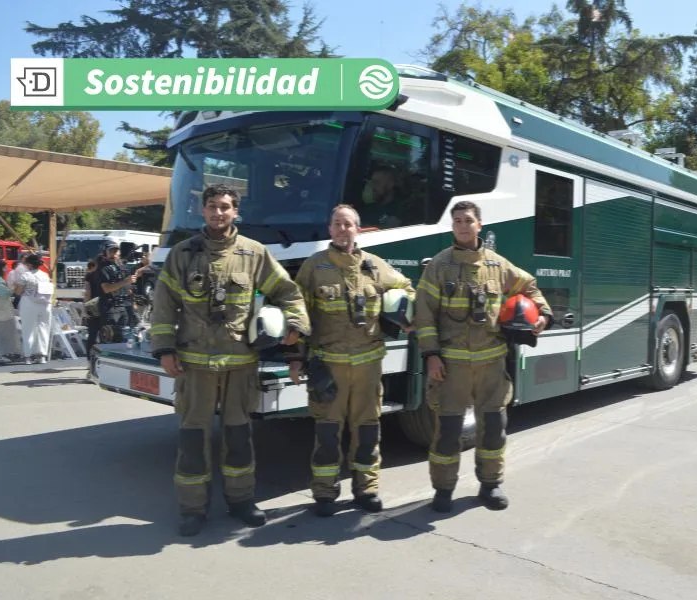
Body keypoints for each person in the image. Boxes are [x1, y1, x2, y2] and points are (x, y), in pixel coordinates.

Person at [149, 184, 311, 537]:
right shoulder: (182, 254)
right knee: (193, 439)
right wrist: (164, 349)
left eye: (225, 207)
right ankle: (193, 508)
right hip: (194, 364)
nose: (218, 212)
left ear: (236, 211)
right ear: (202, 211)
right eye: (212, 206)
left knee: (239, 437)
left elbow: (287, 291)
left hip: (240, 365)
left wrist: (296, 324)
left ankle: (241, 501)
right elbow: (163, 306)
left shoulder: (254, 254)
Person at [413, 200, 553, 513]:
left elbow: (529, 286)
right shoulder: (439, 265)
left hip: (491, 365)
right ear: (453, 227)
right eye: (457, 221)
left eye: (468, 220)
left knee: (494, 428)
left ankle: (490, 485)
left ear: (480, 225)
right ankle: (443, 490)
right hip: (451, 368)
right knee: (448, 433)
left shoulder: (498, 265)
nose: (463, 225)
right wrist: (431, 355)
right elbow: (424, 315)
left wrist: (543, 315)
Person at [292, 204, 416, 517]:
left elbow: (406, 288)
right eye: (337, 223)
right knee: (327, 431)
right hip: (328, 366)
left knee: (367, 429)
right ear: (330, 230)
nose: (343, 229)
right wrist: (295, 358)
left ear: (358, 229)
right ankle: (324, 492)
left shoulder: (375, 266)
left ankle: (367, 488)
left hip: (368, 366)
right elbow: (298, 315)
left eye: (348, 224)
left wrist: (404, 312)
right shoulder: (314, 267)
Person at [13, 253, 53, 365]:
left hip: (29, 303)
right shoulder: (45, 275)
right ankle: (42, 355)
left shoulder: (25, 276)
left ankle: (28, 356)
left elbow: (18, 291)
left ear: (29, 264)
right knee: (44, 328)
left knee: (28, 329)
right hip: (45, 304)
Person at [0, 259, 20, 363]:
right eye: (4, 267)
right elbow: (4, 293)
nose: (6, 269)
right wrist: (13, 289)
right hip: (0, 311)